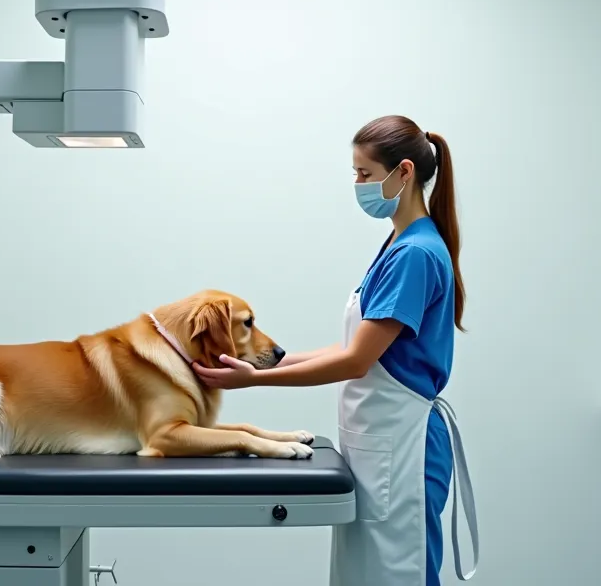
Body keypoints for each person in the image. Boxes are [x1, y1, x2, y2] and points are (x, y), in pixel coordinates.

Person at [193, 115, 478, 586]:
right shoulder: (398, 244)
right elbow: (352, 346)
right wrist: (268, 360)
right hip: (381, 445)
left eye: (365, 174)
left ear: (403, 172)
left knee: (398, 574)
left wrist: (255, 380)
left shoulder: (415, 254)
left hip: (404, 449)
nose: (358, 185)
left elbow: (354, 362)